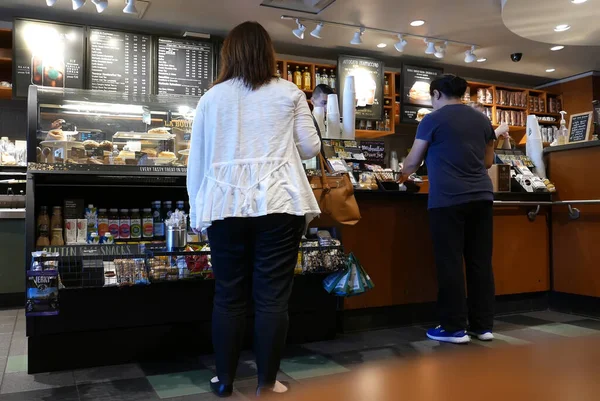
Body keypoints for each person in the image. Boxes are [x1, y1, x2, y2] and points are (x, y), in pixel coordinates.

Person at [187, 21, 321, 397]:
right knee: (272, 296)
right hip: (280, 200)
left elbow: (196, 159)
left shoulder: (211, 98)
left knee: (228, 295)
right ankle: (266, 381)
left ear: (228, 54)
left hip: (224, 202)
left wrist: (198, 210)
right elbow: (311, 149)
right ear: (269, 53)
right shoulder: (289, 92)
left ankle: (225, 381)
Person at [401, 74, 496, 344]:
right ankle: (483, 326)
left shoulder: (431, 120)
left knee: (450, 262)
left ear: (436, 95)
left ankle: (454, 328)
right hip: (481, 197)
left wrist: (403, 173)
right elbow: (488, 161)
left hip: (448, 200)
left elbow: (412, 162)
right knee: (480, 262)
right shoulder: (482, 120)